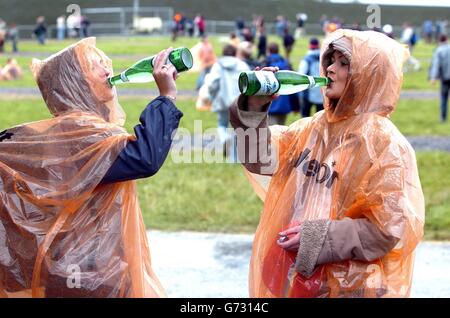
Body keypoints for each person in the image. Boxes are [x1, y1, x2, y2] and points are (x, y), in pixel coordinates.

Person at [230, 29, 424, 297]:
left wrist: (321, 237)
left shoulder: (386, 145)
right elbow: (260, 158)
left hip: (349, 284)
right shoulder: (313, 127)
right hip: (295, 274)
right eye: (330, 60)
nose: (330, 69)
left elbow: (389, 227)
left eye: (344, 63)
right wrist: (253, 108)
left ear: (371, 76)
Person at [0, 37, 183, 297]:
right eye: (96, 66)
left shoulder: (62, 132)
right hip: (91, 276)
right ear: (75, 81)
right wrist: (167, 98)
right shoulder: (79, 133)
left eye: (104, 62)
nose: (108, 70)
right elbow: (145, 158)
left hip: (64, 270)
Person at [199, 44, 250, 160]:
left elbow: (212, 84)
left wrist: (211, 96)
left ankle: (224, 138)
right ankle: (235, 158)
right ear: (235, 53)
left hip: (222, 100)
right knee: (238, 129)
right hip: (239, 102)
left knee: (222, 125)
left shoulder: (218, 66)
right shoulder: (242, 65)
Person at [264, 42, 296, 125]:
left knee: (271, 134)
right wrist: (295, 106)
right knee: (281, 134)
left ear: (268, 51)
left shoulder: (265, 65)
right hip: (284, 105)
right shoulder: (287, 65)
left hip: (270, 105)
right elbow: (294, 85)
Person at [298, 38, 324, 117]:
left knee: (305, 118)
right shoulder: (324, 58)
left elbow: (300, 75)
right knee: (320, 119)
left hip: (308, 93)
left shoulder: (306, 60)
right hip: (321, 92)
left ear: (309, 46)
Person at [429, 34, 450, 122]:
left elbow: (436, 65)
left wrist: (433, 77)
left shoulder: (439, 50)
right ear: (447, 39)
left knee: (444, 98)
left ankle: (443, 118)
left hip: (445, 78)